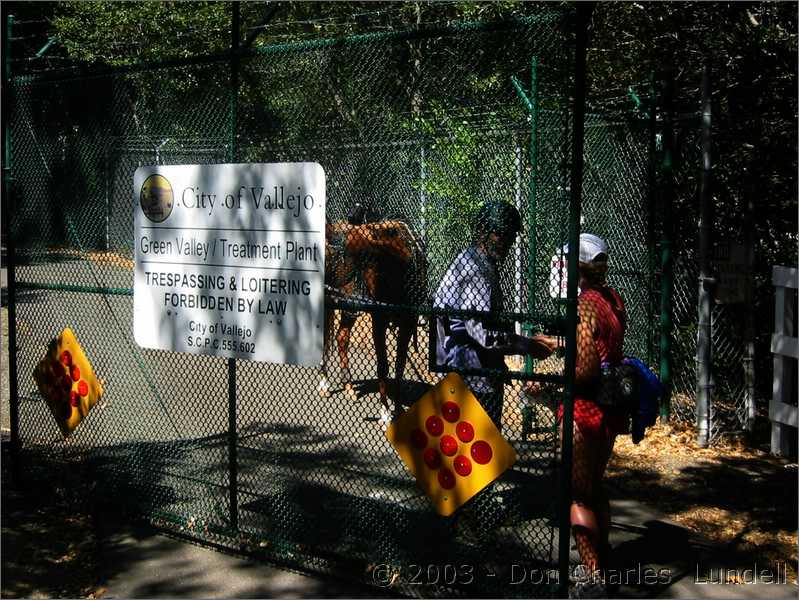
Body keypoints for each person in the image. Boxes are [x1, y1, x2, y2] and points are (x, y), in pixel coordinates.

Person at [433, 199, 557, 431]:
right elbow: (483, 336)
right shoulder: (475, 271)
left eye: (510, 235)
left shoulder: (474, 260)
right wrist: (527, 345)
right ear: (482, 232)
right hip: (471, 378)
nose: (507, 241)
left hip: (466, 373)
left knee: (465, 459)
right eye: (500, 234)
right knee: (475, 459)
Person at [563, 233, 628, 594]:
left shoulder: (584, 304)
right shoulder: (612, 299)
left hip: (583, 410)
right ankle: (604, 559)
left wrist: (557, 381)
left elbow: (585, 367)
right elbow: (603, 349)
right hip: (608, 408)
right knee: (595, 487)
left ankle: (593, 578)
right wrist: (560, 342)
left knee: (577, 495)